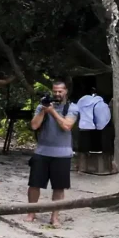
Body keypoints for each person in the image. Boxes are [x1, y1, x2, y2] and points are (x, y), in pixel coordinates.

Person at [28, 79, 78, 227]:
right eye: (55, 91)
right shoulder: (42, 106)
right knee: (34, 185)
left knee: (58, 187)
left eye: (60, 91)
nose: (57, 94)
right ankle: (31, 213)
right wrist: (44, 110)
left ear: (66, 91)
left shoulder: (72, 107)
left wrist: (53, 112)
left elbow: (67, 126)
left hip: (62, 154)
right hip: (42, 151)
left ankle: (54, 217)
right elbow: (34, 125)